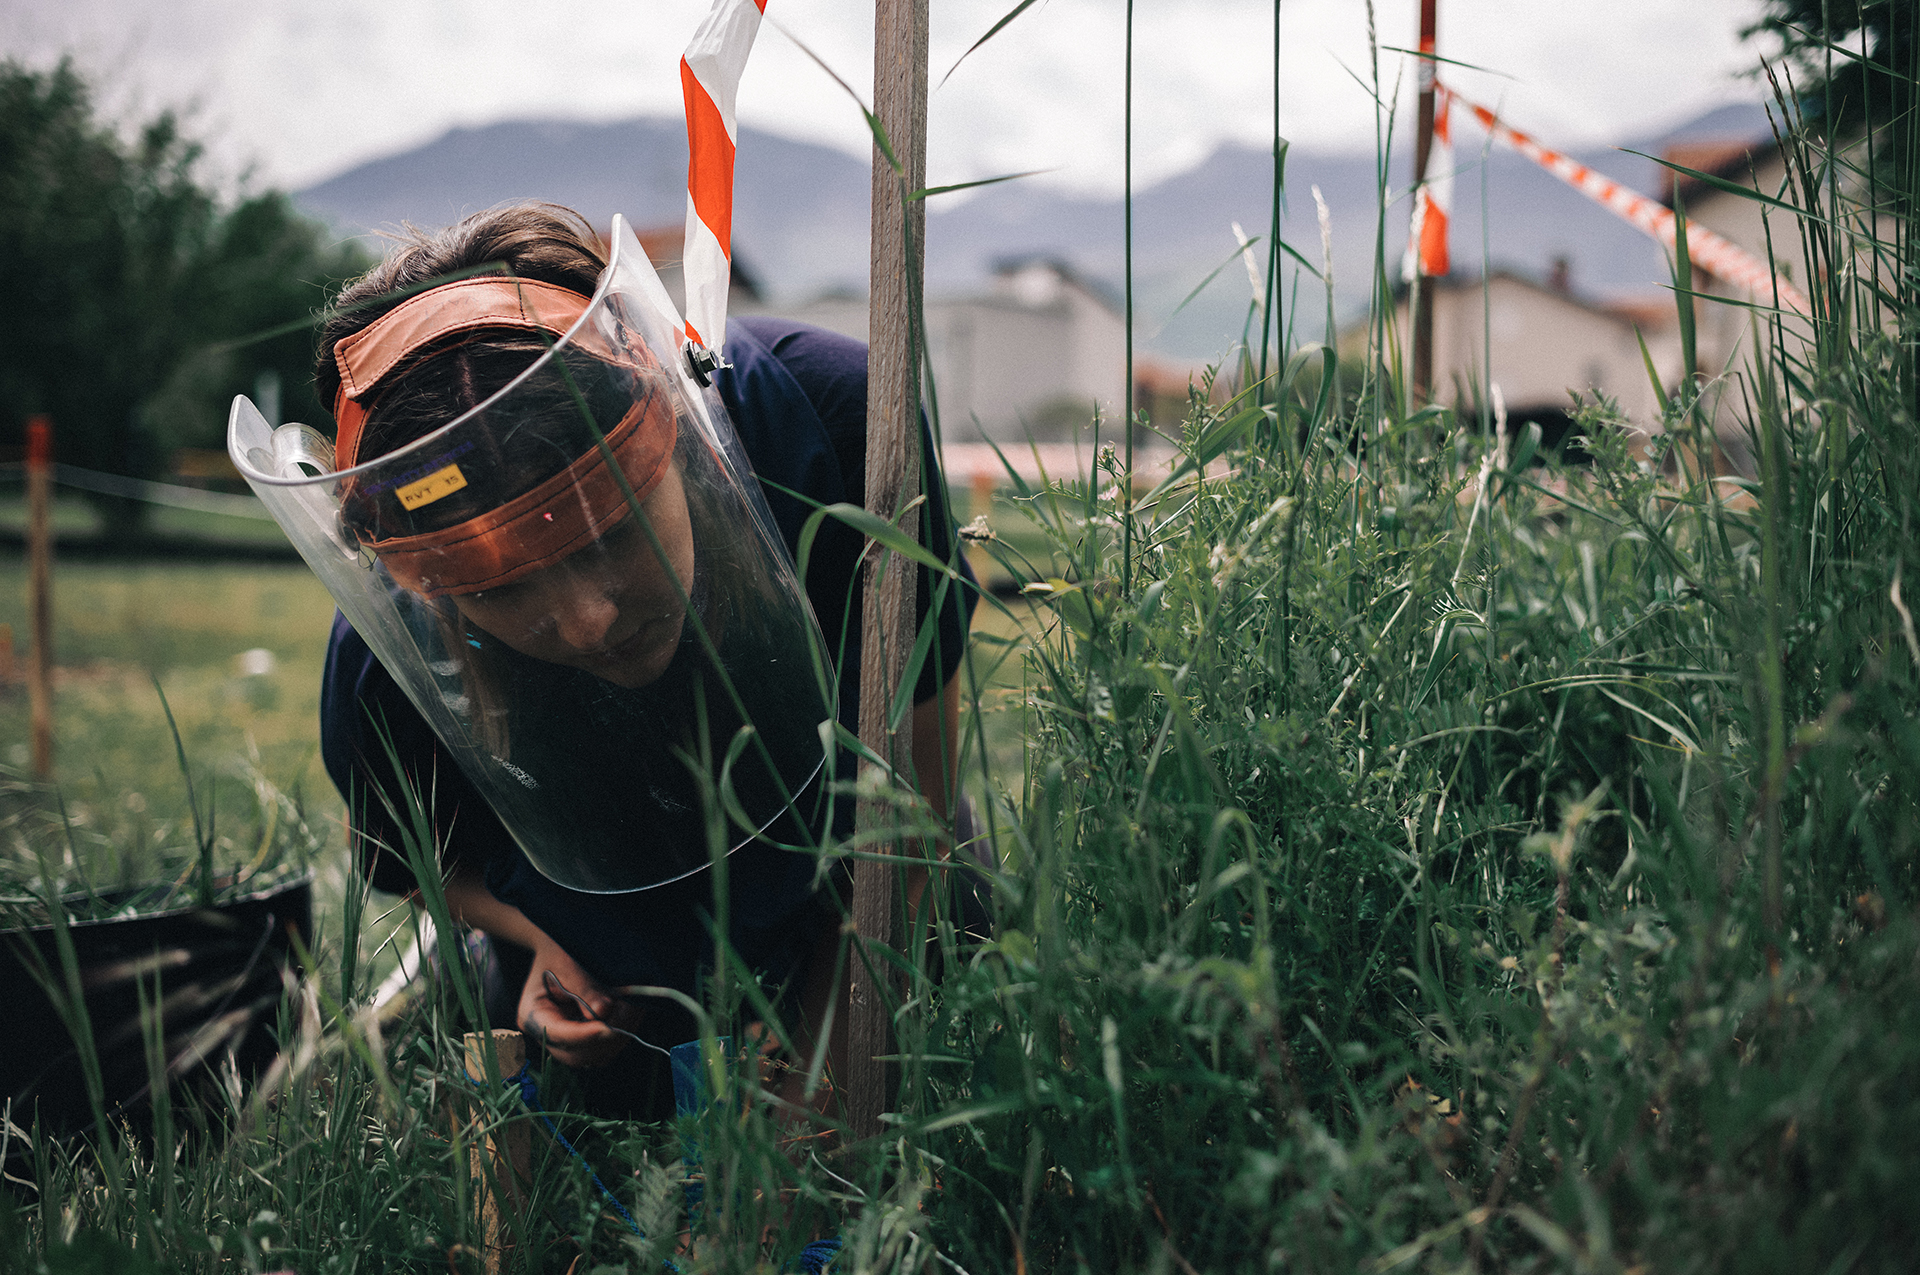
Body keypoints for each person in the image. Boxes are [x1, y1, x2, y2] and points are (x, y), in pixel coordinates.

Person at [294, 204, 978, 1117]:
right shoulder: (390, 652)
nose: (585, 621)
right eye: (502, 590)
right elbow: (421, 858)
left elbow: (918, 797)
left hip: (864, 892)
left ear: (675, 431)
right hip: (606, 980)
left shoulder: (844, 425)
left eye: (609, 533)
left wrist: (825, 1085)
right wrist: (538, 941)